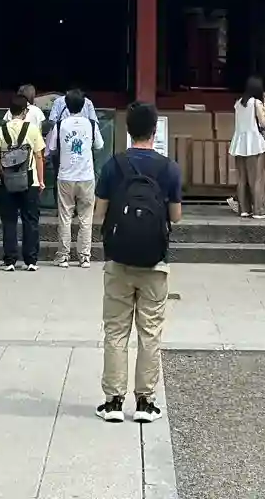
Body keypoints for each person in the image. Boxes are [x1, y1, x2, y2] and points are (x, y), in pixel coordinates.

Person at [93, 100, 183, 424]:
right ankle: (145, 402)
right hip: (155, 262)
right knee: (150, 332)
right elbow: (176, 216)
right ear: (155, 131)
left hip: (118, 260)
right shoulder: (169, 168)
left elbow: (99, 214)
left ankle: (113, 402)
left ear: (128, 130)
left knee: (116, 331)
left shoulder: (112, 166)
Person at [0, 95, 46, 272]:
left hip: (6, 181)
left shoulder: (1, 130)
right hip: (29, 181)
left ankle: (10, 260)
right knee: (31, 220)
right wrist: (41, 180)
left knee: (9, 221)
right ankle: (31, 260)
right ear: (25, 111)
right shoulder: (32, 129)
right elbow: (39, 156)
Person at [50, 86, 101, 267]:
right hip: (86, 175)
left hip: (65, 175)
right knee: (86, 218)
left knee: (65, 217)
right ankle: (84, 256)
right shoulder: (91, 124)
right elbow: (99, 145)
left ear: (66, 104)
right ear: (83, 104)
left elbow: (52, 148)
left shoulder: (60, 125)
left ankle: (63, 256)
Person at [227, 76, 265, 218]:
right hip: (254, 142)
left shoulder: (239, 103)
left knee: (242, 179)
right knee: (257, 178)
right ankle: (259, 210)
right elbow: (264, 123)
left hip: (239, 142)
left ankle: (244, 209)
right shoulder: (256, 102)